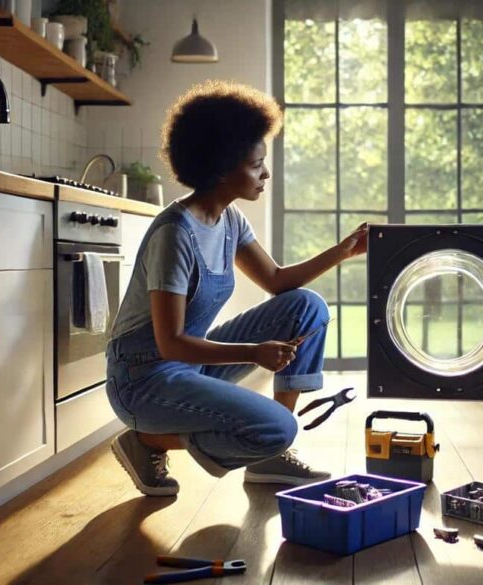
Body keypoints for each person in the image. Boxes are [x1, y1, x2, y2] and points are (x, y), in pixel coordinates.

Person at [105, 80, 368, 496]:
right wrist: (254, 353)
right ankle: (146, 441)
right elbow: (170, 344)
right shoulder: (175, 235)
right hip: (143, 380)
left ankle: (270, 455)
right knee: (278, 427)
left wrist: (343, 251)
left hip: (187, 365)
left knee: (307, 308)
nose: (266, 173)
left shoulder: (229, 221)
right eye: (255, 164)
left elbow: (278, 281)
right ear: (221, 168)